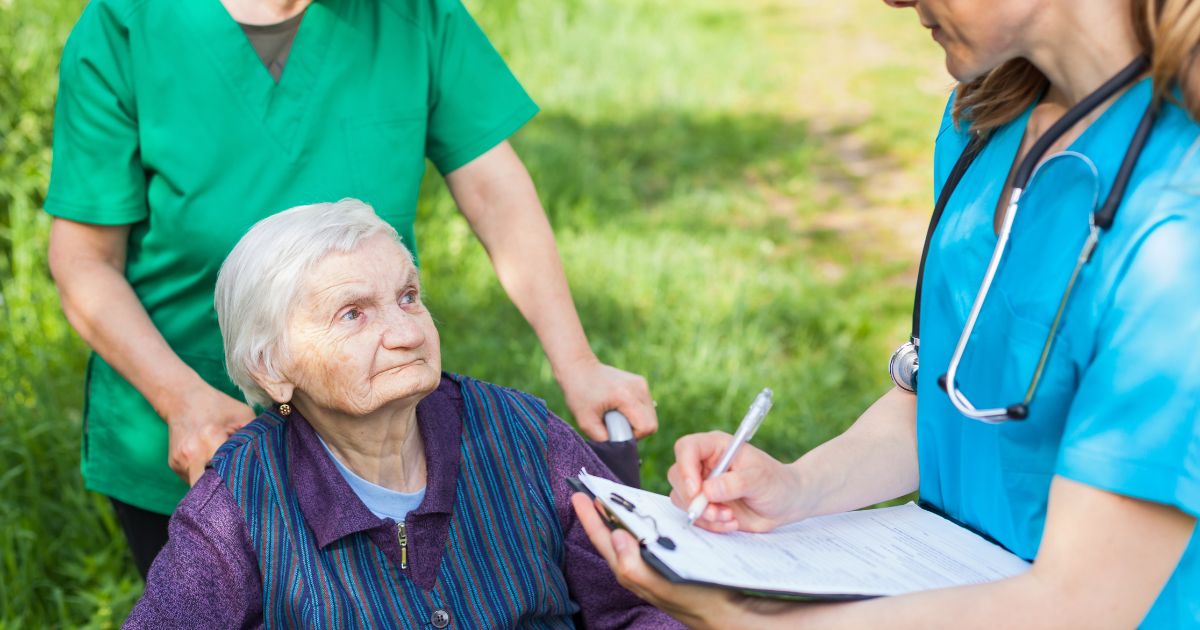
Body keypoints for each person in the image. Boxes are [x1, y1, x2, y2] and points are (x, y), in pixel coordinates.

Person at [573, 0, 1200, 627]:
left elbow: (1081, 603)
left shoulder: (1179, 222)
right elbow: (947, 398)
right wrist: (798, 489)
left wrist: (751, 623)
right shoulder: (981, 125)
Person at [45, 0, 656, 578]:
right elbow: (84, 262)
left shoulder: (413, 13)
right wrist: (182, 400)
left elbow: (498, 194)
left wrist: (576, 362)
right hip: (185, 406)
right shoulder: (126, 25)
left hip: (373, 424)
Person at [123, 199, 680, 628]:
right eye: (352, 314)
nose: (408, 333)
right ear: (271, 368)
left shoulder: (522, 435)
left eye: (409, 296)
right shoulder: (241, 504)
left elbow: (639, 608)